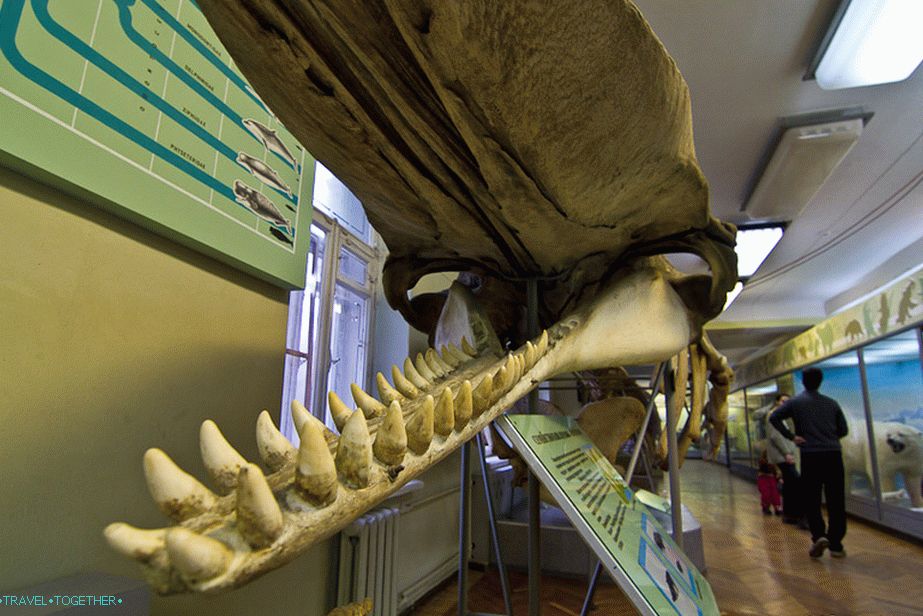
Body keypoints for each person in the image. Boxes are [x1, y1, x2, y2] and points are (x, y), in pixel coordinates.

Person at [771, 367, 849, 559]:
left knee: (812, 498)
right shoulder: (831, 403)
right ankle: (836, 543)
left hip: (811, 455)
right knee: (836, 499)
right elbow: (843, 429)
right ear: (820, 381)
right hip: (833, 454)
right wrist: (829, 437)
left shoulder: (796, 403)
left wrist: (793, 436)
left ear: (804, 382)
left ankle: (819, 535)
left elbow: (774, 417)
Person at [766, 394, 805, 526]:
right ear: (777, 402)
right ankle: (799, 514)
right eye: (783, 401)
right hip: (782, 456)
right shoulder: (774, 415)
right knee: (796, 482)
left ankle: (789, 514)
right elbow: (776, 436)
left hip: (784, 455)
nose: (785, 404)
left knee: (789, 483)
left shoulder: (781, 417)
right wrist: (787, 453)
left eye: (788, 402)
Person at [757, 449, 782, 515]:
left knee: (775, 494)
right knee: (766, 494)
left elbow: (775, 472)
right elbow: (766, 468)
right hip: (763, 479)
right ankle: (766, 507)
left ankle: (777, 507)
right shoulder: (762, 461)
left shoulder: (774, 463)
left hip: (771, 479)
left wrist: (779, 478)